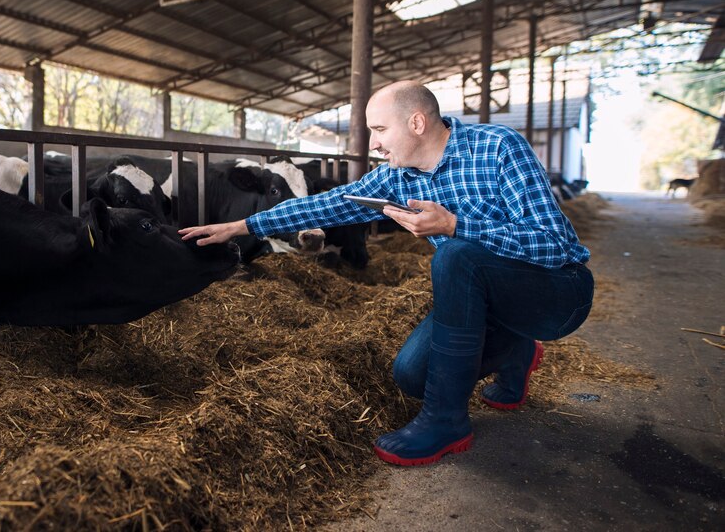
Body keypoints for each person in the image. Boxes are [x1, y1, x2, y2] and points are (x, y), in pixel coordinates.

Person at [179, 81, 593, 467]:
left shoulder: (499, 147)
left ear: (417, 123)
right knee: (412, 376)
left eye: (379, 129)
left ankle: (445, 422)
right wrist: (243, 226)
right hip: (485, 302)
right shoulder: (397, 176)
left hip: (555, 294)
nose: (373, 143)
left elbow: (555, 244)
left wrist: (454, 226)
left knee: (456, 256)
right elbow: (326, 205)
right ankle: (518, 351)